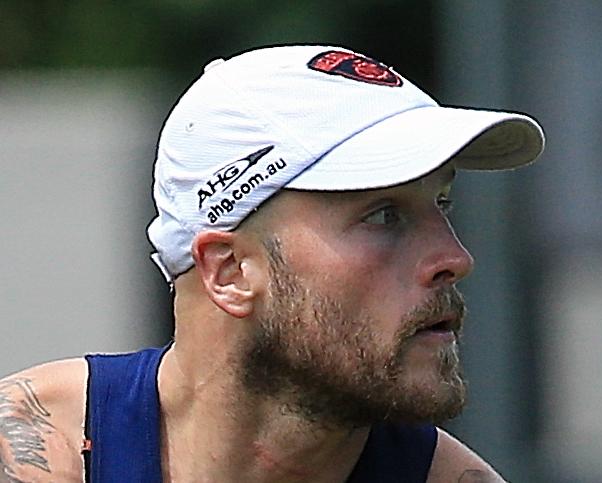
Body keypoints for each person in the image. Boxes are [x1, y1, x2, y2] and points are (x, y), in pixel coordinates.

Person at [0, 45, 544, 483]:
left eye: (441, 203)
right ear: (230, 271)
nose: (455, 258)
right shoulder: (35, 452)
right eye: (383, 215)